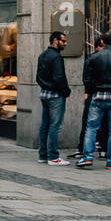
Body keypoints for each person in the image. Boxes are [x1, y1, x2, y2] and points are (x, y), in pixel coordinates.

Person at [78, 32, 111, 169]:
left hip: (98, 96)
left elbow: (86, 79)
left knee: (91, 127)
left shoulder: (93, 58)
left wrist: (91, 92)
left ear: (101, 41)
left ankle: (87, 157)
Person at [36, 31, 73, 166]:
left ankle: (43, 155)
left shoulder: (43, 55)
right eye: (63, 41)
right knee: (54, 126)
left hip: (44, 94)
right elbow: (59, 78)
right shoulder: (56, 57)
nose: (65, 43)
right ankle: (53, 156)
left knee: (45, 125)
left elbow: (38, 78)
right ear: (55, 41)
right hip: (55, 96)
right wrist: (65, 91)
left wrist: (47, 86)